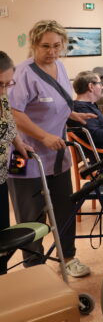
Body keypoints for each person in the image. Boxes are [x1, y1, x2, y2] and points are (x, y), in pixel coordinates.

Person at [8, 20, 95, 277]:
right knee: (31, 216)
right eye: (45, 46)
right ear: (34, 44)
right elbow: (14, 113)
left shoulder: (59, 65)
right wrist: (43, 136)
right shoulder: (22, 74)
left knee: (64, 207)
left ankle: (68, 257)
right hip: (26, 155)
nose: (52, 51)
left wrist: (73, 115)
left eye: (57, 46)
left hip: (57, 155)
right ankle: (33, 268)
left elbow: (60, 101)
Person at [0, 52, 33, 274]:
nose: (3, 90)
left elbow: (9, 122)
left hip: (1, 177)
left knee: (2, 238)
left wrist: (20, 144)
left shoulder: (2, 97)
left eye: (6, 84)